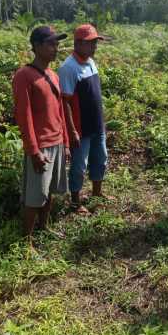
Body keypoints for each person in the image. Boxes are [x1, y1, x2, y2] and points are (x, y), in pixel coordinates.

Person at [12, 26, 70, 247]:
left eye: (57, 44)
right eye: (51, 44)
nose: (56, 48)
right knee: (35, 196)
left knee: (50, 192)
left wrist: (64, 142)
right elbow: (23, 116)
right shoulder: (24, 76)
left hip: (56, 142)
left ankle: (44, 227)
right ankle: (26, 241)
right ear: (36, 46)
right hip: (41, 146)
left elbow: (60, 111)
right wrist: (33, 150)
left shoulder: (53, 75)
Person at [58, 24, 109, 214]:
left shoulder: (90, 62)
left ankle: (97, 193)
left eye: (95, 43)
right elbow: (66, 103)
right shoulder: (68, 68)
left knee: (101, 159)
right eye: (90, 43)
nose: (94, 47)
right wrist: (71, 131)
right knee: (79, 166)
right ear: (78, 43)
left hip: (97, 124)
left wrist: (102, 122)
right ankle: (75, 201)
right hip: (80, 128)